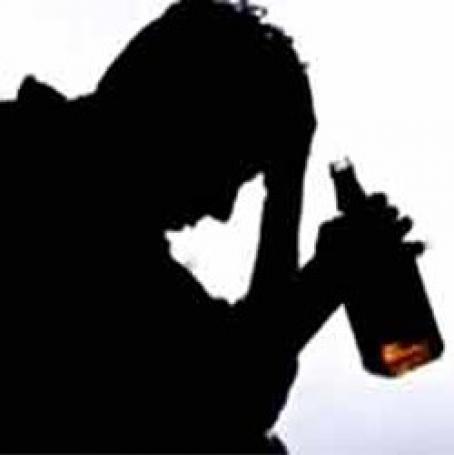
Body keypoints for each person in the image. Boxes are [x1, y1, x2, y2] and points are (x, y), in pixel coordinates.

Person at [0, 0, 419, 452]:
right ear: (176, 123)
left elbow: (230, 370)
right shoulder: (65, 216)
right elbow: (232, 392)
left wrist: (321, 263)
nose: (222, 210)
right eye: (227, 172)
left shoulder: (89, 214)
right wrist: (292, 205)